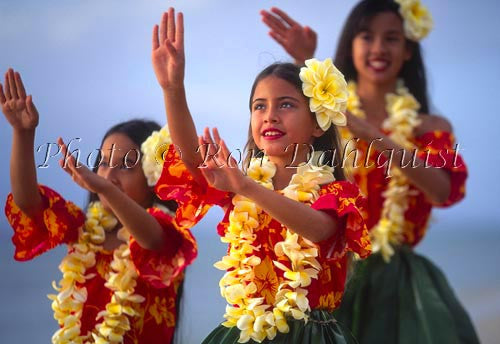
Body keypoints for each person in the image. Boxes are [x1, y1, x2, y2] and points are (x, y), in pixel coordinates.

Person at [261, 1, 480, 343]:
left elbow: (441, 191)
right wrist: (304, 63)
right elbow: (292, 142)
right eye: (367, 36)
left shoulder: (430, 128)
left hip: (398, 283)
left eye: (391, 38)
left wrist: (368, 132)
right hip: (332, 271)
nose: (378, 48)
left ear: (407, 50)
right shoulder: (328, 118)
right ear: (351, 45)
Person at [151, 8, 371, 343]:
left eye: (285, 105)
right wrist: (172, 88)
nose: (269, 116)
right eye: (259, 106)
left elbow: (319, 228)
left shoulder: (337, 192)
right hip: (246, 330)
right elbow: (192, 161)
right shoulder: (239, 184)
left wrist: (247, 187)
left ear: (316, 124)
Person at [1, 68, 197, 344]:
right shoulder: (82, 230)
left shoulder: (167, 235)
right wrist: (22, 133)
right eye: (104, 163)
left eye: (126, 165)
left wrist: (105, 186)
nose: (108, 175)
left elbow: (150, 240)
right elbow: (29, 203)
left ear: (153, 177)